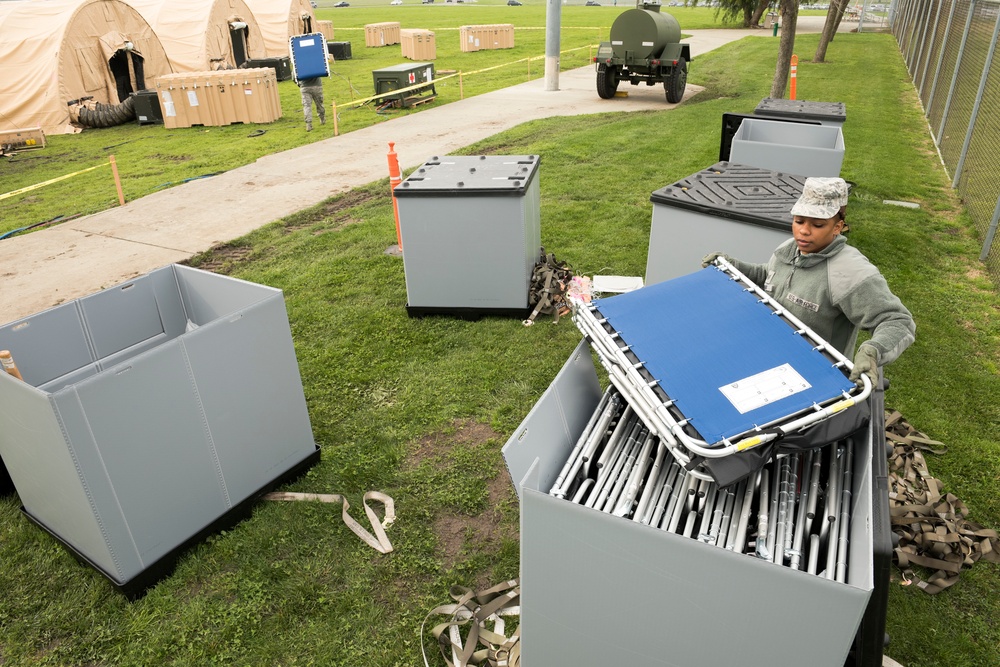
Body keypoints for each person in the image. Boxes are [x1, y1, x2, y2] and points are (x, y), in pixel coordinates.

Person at [702, 176, 915, 388]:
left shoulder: (850, 272)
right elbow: (770, 276)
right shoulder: (792, 248)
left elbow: (897, 321)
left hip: (815, 381)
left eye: (818, 224)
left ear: (837, 227)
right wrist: (733, 266)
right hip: (769, 359)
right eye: (799, 221)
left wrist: (873, 351)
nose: (804, 231)